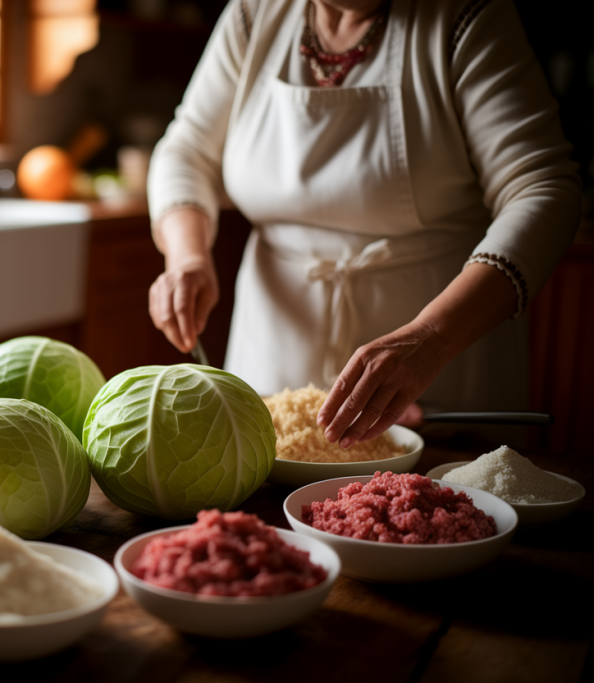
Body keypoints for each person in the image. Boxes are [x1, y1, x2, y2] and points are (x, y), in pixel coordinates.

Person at [146, 0, 581, 447]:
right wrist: (188, 257)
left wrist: (431, 340)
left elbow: (544, 189)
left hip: (440, 373)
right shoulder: (253, 13)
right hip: (272, 351)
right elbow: (187, 150)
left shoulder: (466, 15)